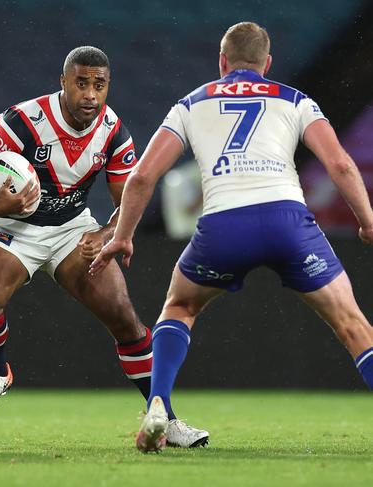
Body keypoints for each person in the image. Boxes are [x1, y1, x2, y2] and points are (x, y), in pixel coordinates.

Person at [91, 21, 373, 453]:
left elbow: (144, 175)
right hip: (288, 222)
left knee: (180, 305)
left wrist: (123, 235)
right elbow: (340, 165)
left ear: (222, 61)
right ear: (268, 63)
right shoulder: (296, 100)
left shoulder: (191, 104)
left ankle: (159, 407)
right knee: (353, 323)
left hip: (224, 226)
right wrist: (368, 220)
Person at [0, 45, 207, 448]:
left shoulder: (112, 130)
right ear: (63, 83)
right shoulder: (24, 120)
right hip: (12, 225)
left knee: (125, 318)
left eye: (99, 85)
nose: (90, 94)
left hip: (71, 229)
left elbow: (127, 200)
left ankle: (164, 417)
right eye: (81, 84)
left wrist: (106, 233)